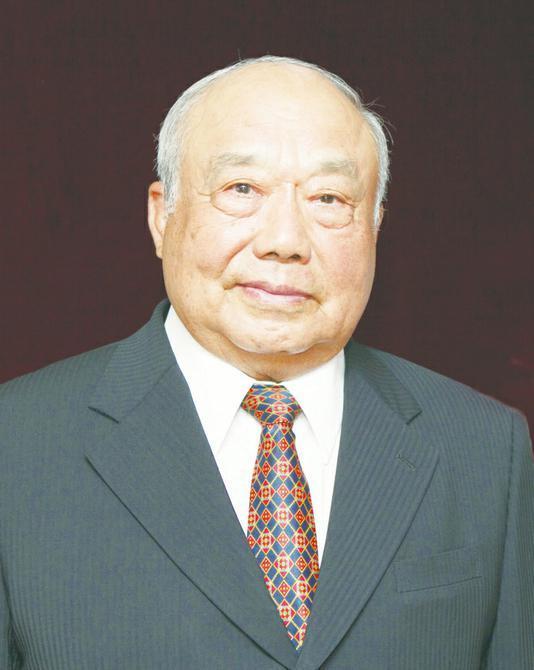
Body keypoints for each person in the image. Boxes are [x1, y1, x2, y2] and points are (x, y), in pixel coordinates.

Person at [0, 56, 532, 670]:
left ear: (374, 228)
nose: (285, 241)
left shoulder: (484, 448)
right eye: (242, 190)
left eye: (329, 198)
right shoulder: (17, 445)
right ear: (161, 216)